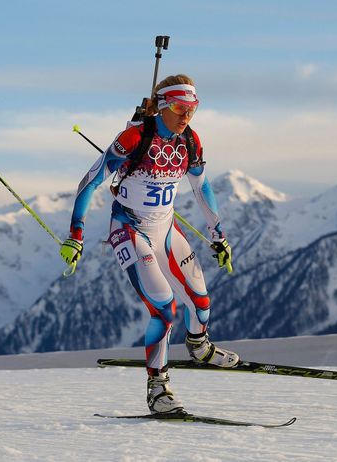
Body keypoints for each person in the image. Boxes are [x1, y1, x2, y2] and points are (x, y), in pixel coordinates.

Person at [60, 74, 238, 414]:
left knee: (200, 303)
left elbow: (203, 188)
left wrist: (219, 235)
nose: (186, 115)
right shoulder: (135, 137)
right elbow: (91, 180)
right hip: (130, 228)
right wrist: (76, 234)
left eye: (192, 108)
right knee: (164, 308)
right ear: (162, 105)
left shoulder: (189, 141)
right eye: (178, 107)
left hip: (166, 229)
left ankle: (199, 347)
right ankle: (158, 389)